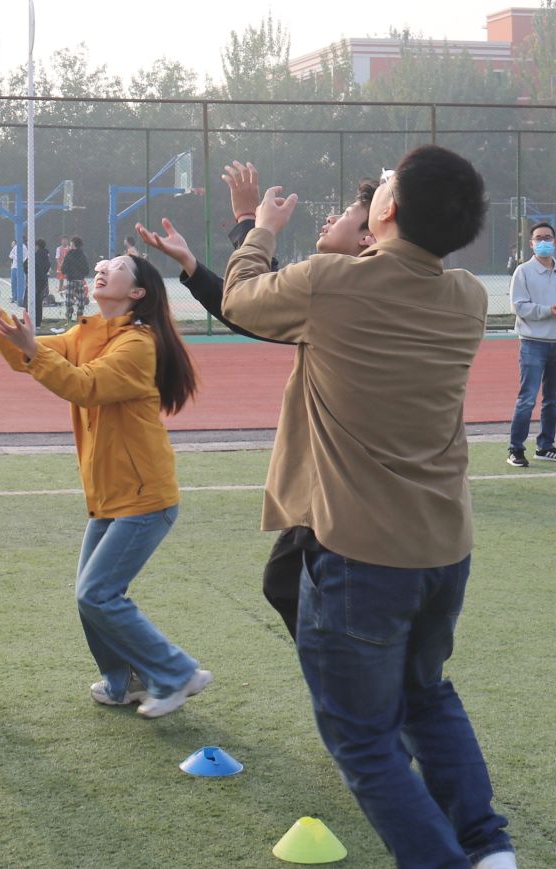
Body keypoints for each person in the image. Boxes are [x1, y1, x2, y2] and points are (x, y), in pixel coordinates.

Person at [219, 148, 516, 869]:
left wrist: (257, 227)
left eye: (381, 186)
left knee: (365, 742)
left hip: (361, 555)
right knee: (427, 695)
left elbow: (240, 297)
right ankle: (489, 849)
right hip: (444, 548)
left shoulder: (330, 285)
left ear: (385, 211)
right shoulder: (468, 296)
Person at [0, 252, 210, 719]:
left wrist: (32, 348)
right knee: (90, 597)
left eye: (116, 265)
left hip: (144, 497)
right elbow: (29, 354)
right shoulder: (88, 331)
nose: (102, 265)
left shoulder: (138, 344)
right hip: (109, 496)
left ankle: (175, 673)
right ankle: (124, 682)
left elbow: (84, 386)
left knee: (97, 594)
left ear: (137, 292)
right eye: (104, 261)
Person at [137, 161, 374, 638]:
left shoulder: (340, 286)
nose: (330, 219)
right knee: (289, 584)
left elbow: (249, 302)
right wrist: (227, 239)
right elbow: (258, 305)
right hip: (345, 483)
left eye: (346, 212)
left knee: (312, 595)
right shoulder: (359, 287)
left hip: (347, 482)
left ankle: (356, 690)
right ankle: (356, 688)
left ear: (372, 235)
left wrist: (259, 226)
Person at [506, 221, 556, 467]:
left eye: (547, 237)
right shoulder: (523, 272)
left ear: (555, 242)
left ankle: (546, 446)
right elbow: (519, 306)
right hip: (532, 343)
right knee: (527, 398)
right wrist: (549, 310)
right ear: (531, 243)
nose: (543, 242)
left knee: (552, 400)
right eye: (538, 238)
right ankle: (516, 449)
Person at [59, 234, 92, 321]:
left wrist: (68, 272)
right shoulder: (83, 255)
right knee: (81, 300)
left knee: (69, 300)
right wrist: (81, 274)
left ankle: (69, 316)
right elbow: (86, 270)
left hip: (71, 280)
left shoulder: (69, 255)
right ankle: (79, 316)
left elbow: (63, 269)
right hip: (80, 280)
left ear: (73, 244)